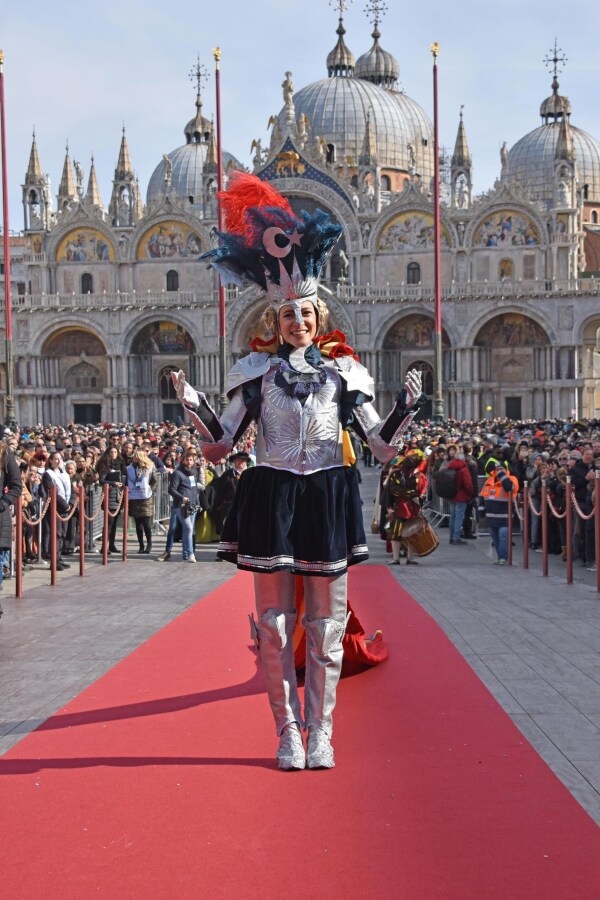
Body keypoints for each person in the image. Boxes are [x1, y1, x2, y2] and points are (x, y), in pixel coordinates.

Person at [172, 172, 425, 770]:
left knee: (327, 624)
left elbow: (378, 447)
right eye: (288, 314)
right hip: (272, 495)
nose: (298, 322)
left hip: (328, 498)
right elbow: (221, 445)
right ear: (276, 317)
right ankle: (286, 730)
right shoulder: (255, 373)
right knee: (276, 626)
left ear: (318, 315)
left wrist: (405, 407)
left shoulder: (344, 374)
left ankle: (323, 731)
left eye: (307, 314)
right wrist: (193, 405)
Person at [382, 450, 428, 565]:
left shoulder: (400, 473)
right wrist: (413, 494)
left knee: (409, 533)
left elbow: (392, 490)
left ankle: (399, 558)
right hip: (405, 506)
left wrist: (389, 506)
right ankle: (405, 558)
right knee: (406, 532)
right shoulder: (404, 474)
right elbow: (394, 490)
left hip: (405, 506)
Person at [478, 458, 519, 565]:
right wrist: (481, 510)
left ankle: (503, 558)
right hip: (491, 517)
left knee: (503, 536)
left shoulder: (512, 479)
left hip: (505, 516)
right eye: (497, 469)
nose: (499, 471)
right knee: (495, 538)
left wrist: (502, 476)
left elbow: (509, 487)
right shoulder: (489, 481)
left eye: (501, 469)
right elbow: (482, 495)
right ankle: (500, 556)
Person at [167, 447, 203, 562]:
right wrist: (182, 498)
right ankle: (191, 554)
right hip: (180, 506)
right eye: (187, 460)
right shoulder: (177, 473)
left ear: (194, 461)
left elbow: (194, 489)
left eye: (191, 460)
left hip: (192, 505)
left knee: (189, 530)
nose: (189, 462)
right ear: (183, 460)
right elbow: (171, 489)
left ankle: (186, 554)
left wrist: (196, 502)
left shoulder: (194, 473)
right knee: (188, 527)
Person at [97, 446, 127, 554]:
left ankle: (112, 545)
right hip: (110, 496)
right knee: (109, 523)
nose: (113, 453)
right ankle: (104, 547)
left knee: (114, 524)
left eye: (115, 451)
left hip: (119, 496)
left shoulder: (121, 464)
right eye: (111, 452)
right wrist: (113, 483)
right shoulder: (105, 465)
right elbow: (101, 480)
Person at [126, 449, 157, 554]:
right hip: (134, 497)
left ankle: (149, 543)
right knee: (138, 524)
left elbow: (154, 481)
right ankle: (141, 545)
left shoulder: (149, 467)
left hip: (145, 498)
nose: (134, 457)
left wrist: (150, 490)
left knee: (146, 523)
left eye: (136, 456)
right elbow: (126, 481)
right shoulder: (130, 468)